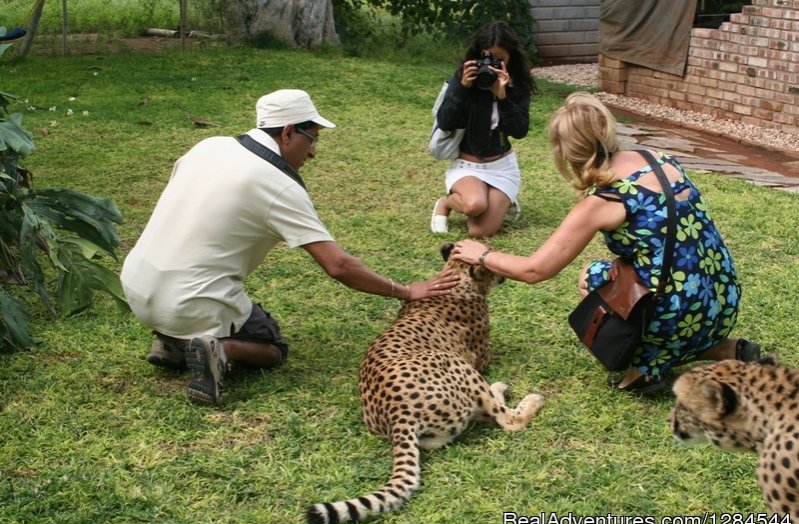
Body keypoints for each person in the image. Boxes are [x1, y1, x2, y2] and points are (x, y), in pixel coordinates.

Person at [120, 89, 459, 406]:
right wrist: (406, 291)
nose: (313, 151)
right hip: (187, 303)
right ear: (287, 133)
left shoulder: (208, 145)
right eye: (312, 138)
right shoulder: (279, 184)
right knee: (272, 345)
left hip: (136, 287)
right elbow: (337, 265)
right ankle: (217, 348)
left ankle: (171, 341)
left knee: (189, 290)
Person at [450, 92, 761, 396]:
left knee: (592, 275)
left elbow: (535, 270)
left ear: (567, 153)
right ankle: (721, 347)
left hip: (677, 311)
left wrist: (484, 254)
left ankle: (645, 367)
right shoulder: (660, 160)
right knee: (634, 274)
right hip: (724, 295)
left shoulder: (604, 200)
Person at [430, 20, 535, 238]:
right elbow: (445, 122)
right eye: (488, 58)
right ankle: (446, 203)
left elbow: (520, 131)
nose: (493, 65)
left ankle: (503, 199)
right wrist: (462, 89)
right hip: (467, 165)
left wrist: (503, 97)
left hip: (502, 167)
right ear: (478, 55)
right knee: (474, 205)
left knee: (479, 231)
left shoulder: (518, 84)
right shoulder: (465, 77)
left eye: (500, 60)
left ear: (510, 58)